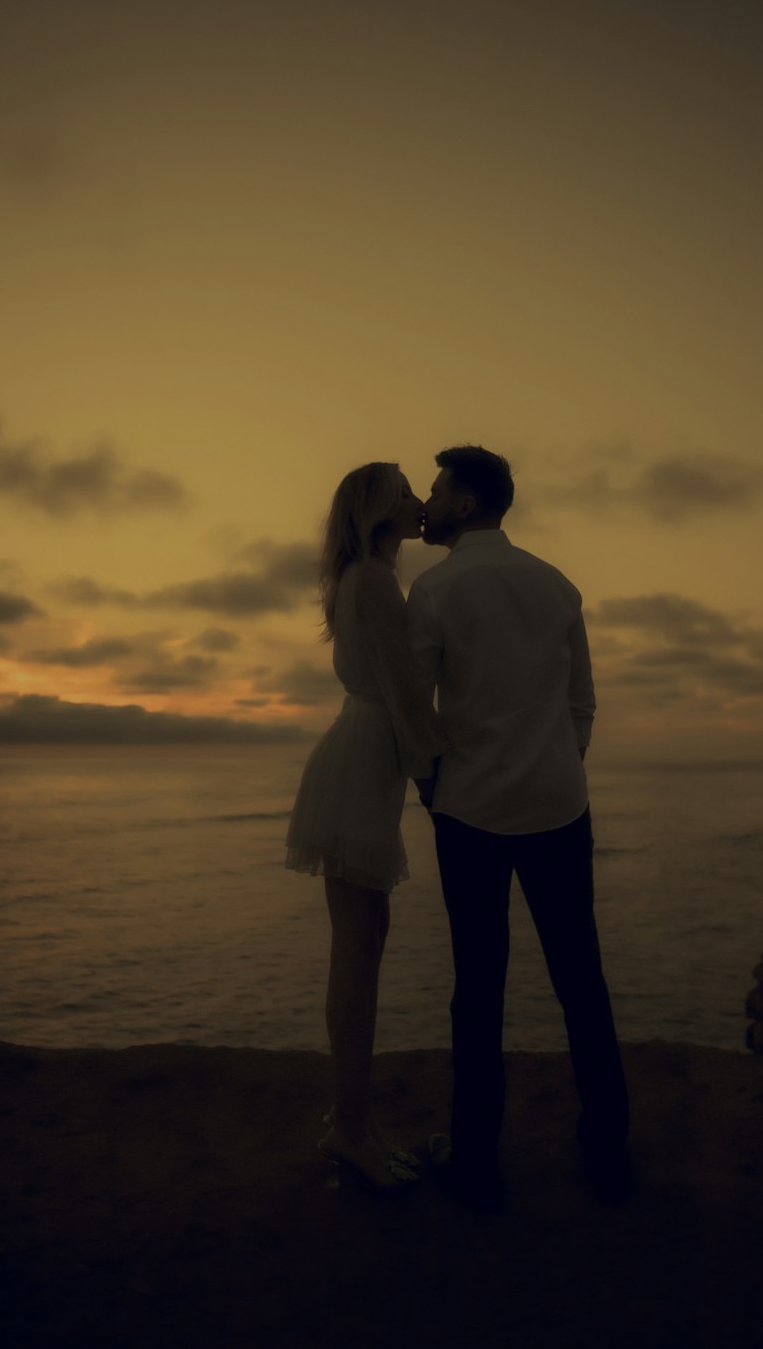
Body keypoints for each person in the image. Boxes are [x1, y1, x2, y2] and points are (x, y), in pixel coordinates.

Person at [407, 445, 630, 1210]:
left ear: (466, 503)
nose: (427, 504)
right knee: (582, 982)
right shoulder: (556, 584)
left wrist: (433, 789)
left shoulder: (434, 590)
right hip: (560, 809)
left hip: (470, 812)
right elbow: (581, 704)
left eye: (436, 491)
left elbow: (414, 710)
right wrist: (555, 767)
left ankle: (477, 1167)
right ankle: (609, 1154)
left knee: (479, 990)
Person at [286, 462, 447, 1191]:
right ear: (376, 509)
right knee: (357, 949)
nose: (418, 503)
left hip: (359, 760)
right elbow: (407, 692)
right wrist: (436, 777)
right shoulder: (376, 583)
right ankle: (352, 1130)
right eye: (406, 492)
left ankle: (349, 1122)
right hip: (363, 763)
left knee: (363, 941)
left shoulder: (361, 580)